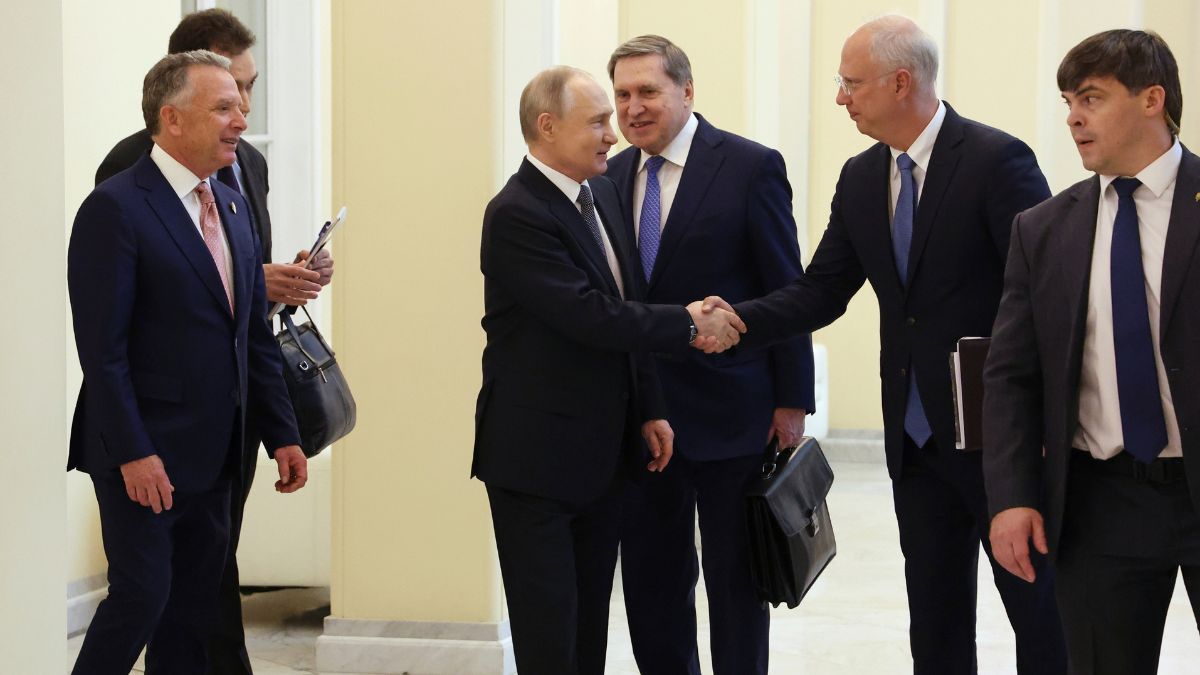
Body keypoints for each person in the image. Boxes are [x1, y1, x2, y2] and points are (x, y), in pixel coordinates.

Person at [709, 15, 1066, 674]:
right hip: (915, 441)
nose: (840, 98)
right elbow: (821, 291)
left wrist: (1046, 424)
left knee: (1041, 615)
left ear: (901, 83)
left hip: (1002, 439)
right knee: (934, 621)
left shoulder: (996, 160)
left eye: (852, 84)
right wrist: (735, 322)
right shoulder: (860, 177)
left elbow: (1049, 296)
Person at [472, 65, 745, 675]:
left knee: (588, 630)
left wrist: (650, 408)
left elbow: (628, 303)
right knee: (551, 639)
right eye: (597, 121)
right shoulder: (517, 213)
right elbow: (589, 316)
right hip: (537, 461)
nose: (613, 134)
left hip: (602, 457)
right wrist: (689, 322)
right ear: (548, 127)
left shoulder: (598, 196)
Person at [95, 10, 332, 673]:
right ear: (172, 117)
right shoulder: (118, 198)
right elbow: (105, 349)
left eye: (244, 98)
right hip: (148, 440)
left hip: (221, 439)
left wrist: (281, 432)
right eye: (226, 103)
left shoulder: (229, 197)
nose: (243, 117)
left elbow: (248, 327)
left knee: (197, 605)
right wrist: (134, 451)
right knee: (143, 596)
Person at [984, 29, 1200, 674]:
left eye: (1092, 98)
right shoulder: (1044, 228)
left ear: (1152, 100)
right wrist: (1012, 496)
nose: (1074, 117)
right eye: (1068, 102)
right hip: (1103, 502)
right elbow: (1012, 376)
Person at [604, 34, 814, 675]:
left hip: (734, 415)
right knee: (652, 584)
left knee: (737, 584)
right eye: (621, 95)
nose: (633, 108)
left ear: (687, 91)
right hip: (642, 420)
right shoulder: (609, 177)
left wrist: (792, 400)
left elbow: (787, 290)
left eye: (648, 91)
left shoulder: (750, 166)